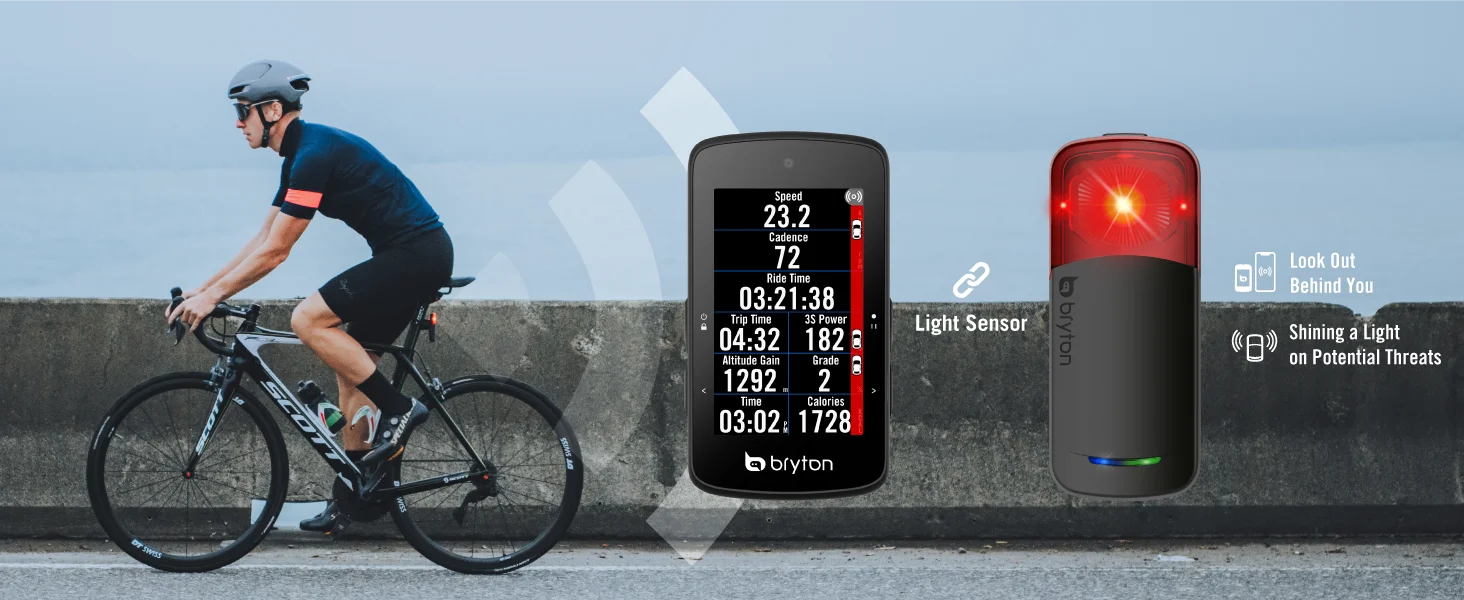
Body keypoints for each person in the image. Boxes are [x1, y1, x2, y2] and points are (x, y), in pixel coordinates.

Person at [166, 59, 454, 532]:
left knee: (308, 319)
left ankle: (401, 409)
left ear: (272, 110)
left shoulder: (314, 154)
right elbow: (262, 238)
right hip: (408, 255)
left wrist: (213, 297)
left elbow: (278, 252)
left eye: (243, 111)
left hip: (417, 255)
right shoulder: (298, 157)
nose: (238, 123)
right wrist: (204, 289)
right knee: (352, 374)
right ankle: (357, 497)